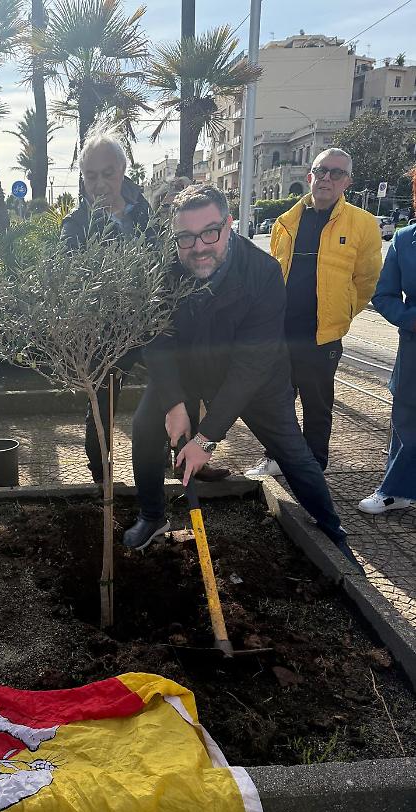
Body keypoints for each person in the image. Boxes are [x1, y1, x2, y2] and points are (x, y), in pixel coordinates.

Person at [124, 184, 357, 567]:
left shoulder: (262, 274)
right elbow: (157, 341)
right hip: (187, 368)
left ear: (229, 225)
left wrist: (204, 437)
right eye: (185, 237)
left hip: (257, 380)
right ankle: (152, 516)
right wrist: (174, 403)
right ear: (174, 236)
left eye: (210, 232)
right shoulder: (162, 270)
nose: (198, 246)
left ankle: (333, 531)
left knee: (294, 455)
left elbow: (250, 367)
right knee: (145, 426)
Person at [245, 148, 382, 478]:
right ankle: (275, 457)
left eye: (336, 173)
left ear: (347, 181)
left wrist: (344, 312)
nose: (326, 178)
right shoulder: (286, 221)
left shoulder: (363, 224)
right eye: (321, 171)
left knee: (318, 406)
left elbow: (366, 281)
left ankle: (314, 464)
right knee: (277, 400)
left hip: (323, 334)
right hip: (282, 331)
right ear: (310, 176)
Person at [59, 134, 152, 484]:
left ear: (123, 171)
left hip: (150, 326)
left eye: (107, 173)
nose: (99, 183)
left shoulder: (142, 211)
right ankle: (101, 477)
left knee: (176, 390)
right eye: (91, 175)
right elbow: (70, 273)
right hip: (106, 336)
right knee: (101, 406)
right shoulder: (76, 224)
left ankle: (187, 461)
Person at [358, 165, 416, 515]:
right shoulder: (405, 240)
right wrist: (412, 320)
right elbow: (384, 296)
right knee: (406, 422)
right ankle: (396, 490)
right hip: (414, 351)